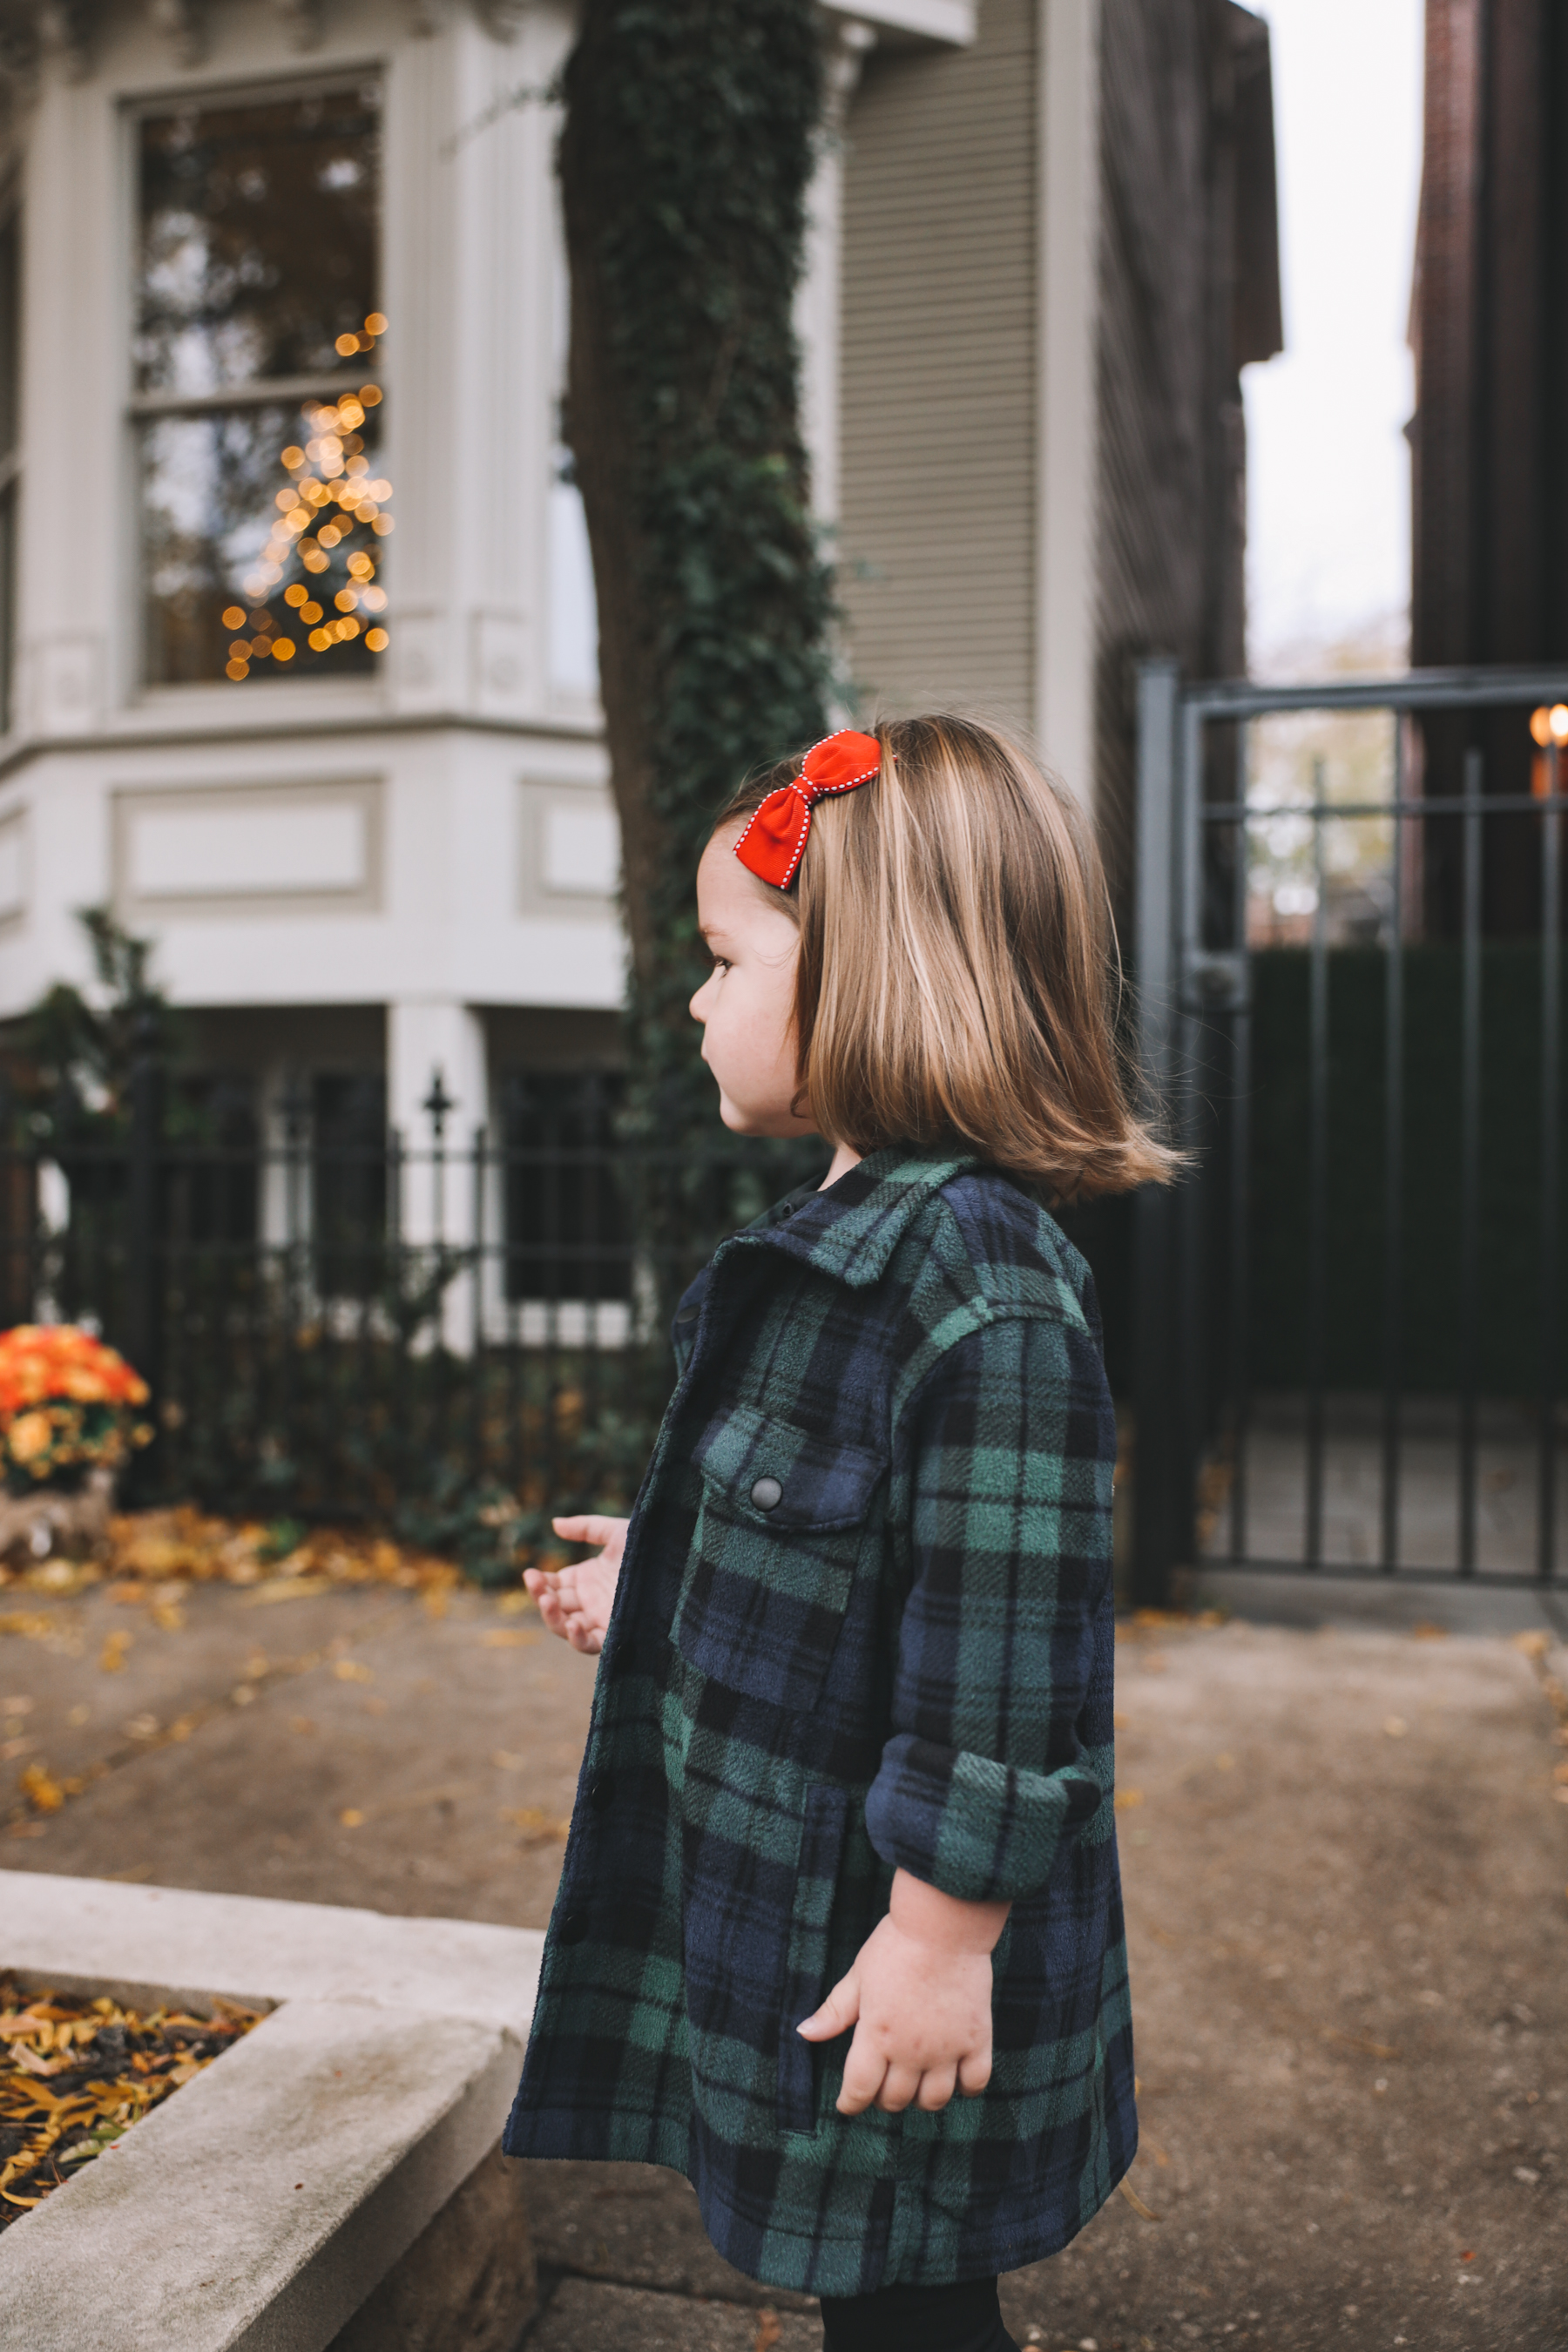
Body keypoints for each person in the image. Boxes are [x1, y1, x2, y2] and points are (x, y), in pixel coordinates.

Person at [504, 716, 1177, 2352]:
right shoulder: (837, 1238)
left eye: (728, 962)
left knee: (909, 2294)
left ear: (868, 977)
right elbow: (830, 1542)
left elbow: (1006, 1676)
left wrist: (944, 1943)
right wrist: (655, 1573)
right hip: (798, 1893)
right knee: (868, 2270)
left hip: (885, 1926)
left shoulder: (983, 1287)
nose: (696, 1002)